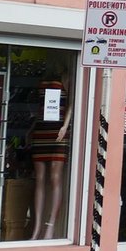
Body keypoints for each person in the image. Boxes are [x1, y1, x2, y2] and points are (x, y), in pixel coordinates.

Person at [29, 75, 72, 240]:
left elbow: (72, 103)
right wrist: (32, 127)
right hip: (41, 127)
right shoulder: (47, 72)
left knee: (55, 178)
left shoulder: (66, 75)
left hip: (58, 129)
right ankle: (37, 226)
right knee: (39, 178)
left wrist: (65, 126)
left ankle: (50, 226)